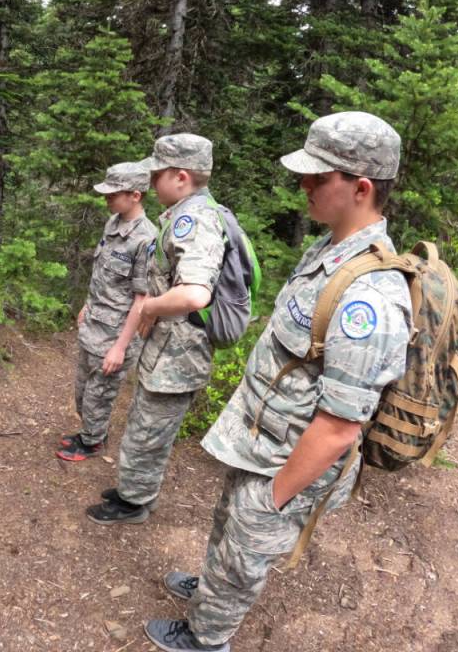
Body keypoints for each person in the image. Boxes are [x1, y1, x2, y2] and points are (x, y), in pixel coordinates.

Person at [143, 112, 410, 652]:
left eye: (318, 176)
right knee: (228, 529)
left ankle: (206, 635)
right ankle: (211, 589)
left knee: (248, 544)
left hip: (287, 460)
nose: (303, 185)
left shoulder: (371, 298)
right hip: (260, 439)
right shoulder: (330, 251)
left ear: (361, 188)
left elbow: (339, 427)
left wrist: (277, 496)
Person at [87, 134, 225, 524]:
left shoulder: (193, 219)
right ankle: (135, 490)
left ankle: (133, 505)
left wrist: (148, 305)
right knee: (145, 425)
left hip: (179, 353)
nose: (151, 182)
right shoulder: (188, 213)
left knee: (149, 430)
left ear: (180, 176)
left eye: (158, 174)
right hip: (169, 347)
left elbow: (196, 294)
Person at [57, 162, 158, 462]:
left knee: (98, 396)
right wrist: (88, 304)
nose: (107, 198)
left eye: (114, 194)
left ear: (135, 195)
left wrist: (121, 347)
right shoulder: (112, 224)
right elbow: (102, 272)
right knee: (82, 390)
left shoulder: (146, 239)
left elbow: (142, 300)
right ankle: (89, 430)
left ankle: (92, 442)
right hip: (94, 324)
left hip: (117, 334)